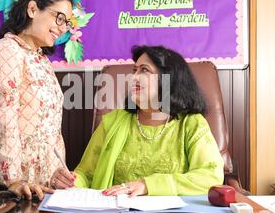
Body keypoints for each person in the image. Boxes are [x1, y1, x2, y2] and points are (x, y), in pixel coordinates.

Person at [50, 45, 224, 196]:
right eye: (134, 71)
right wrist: (71, 181)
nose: (133, 77)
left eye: (144, 70)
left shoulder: (191, 123)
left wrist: (147, 185)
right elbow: (86, 174)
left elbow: (210, 176)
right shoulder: (113, 122)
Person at [0, 0, 76, 200]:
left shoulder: (41, 60)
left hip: (41, 183)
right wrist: (13, 179)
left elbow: (51, 129)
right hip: (12, 181)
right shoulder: (7, 50)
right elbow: (4, 120)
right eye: (59, 17)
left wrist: (57, 170)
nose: (62, 28)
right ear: (32, 9)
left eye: (67, 22)